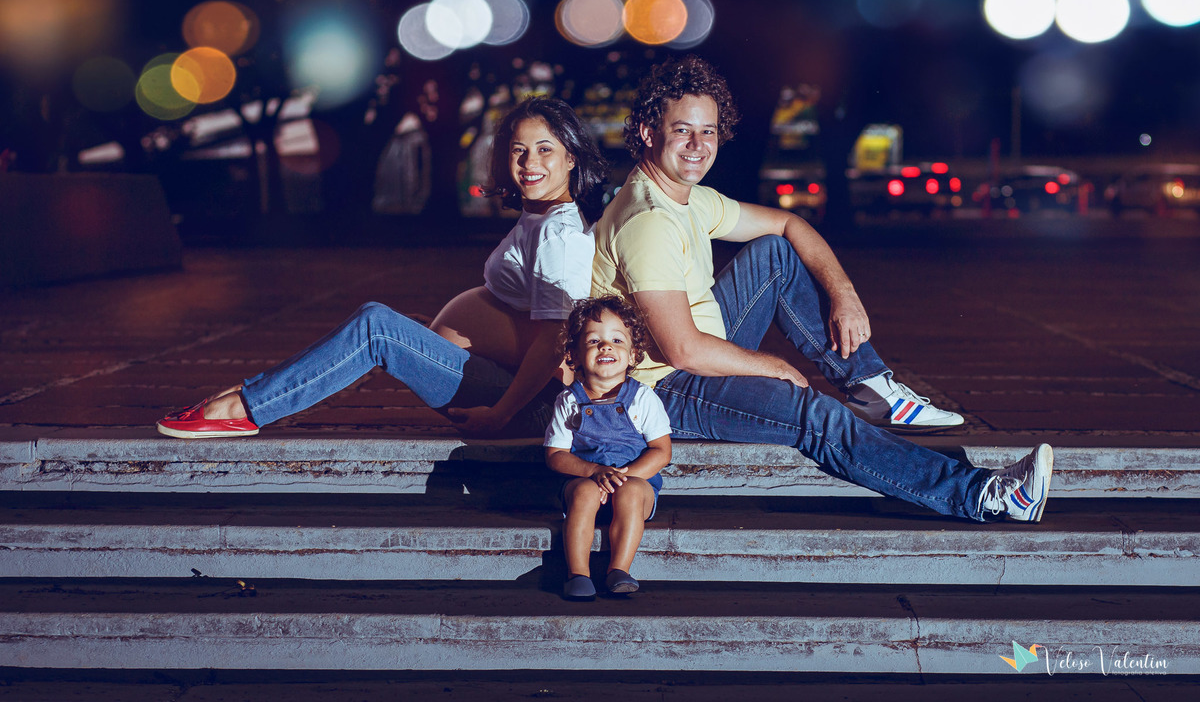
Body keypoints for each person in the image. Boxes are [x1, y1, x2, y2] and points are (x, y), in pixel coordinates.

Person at [590, 55, 1052, 523]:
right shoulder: (648, 220)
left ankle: (872, 386)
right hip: (658, 391)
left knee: (773, 252)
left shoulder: (688, 199)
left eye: (708, 131)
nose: (698, 144)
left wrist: (844, 295)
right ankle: (985, 495)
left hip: (695, 356)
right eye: (683, 130)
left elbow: (791, 223)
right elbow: (683, 350)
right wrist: (769, 366)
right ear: (649, 132)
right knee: (816, 415)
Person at [156, 96, 607, 439]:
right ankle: (253, 393)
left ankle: (245, 408)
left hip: (529, 406)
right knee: (393, 327)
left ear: (571, 157)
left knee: (377, 326)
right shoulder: (539, 219)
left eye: (545, 150)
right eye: (518, 149)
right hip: (509, 389)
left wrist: (502, 413)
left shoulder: (560, 235)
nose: (529, 163)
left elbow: (555, 341)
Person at [545, 296, 671, 599]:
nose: (606, 347)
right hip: (586, 480)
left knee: (630, 492)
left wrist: (622, 476)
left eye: (617, 339)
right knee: (584, 491)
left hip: (632, 481)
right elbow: (556, 455)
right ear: (573, 354)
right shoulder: (569, 401)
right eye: (593, 341)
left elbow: (661, 451)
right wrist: (593, 472)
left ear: (633, 354)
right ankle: (578, 574)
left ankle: (619, 569)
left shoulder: (643, 398)